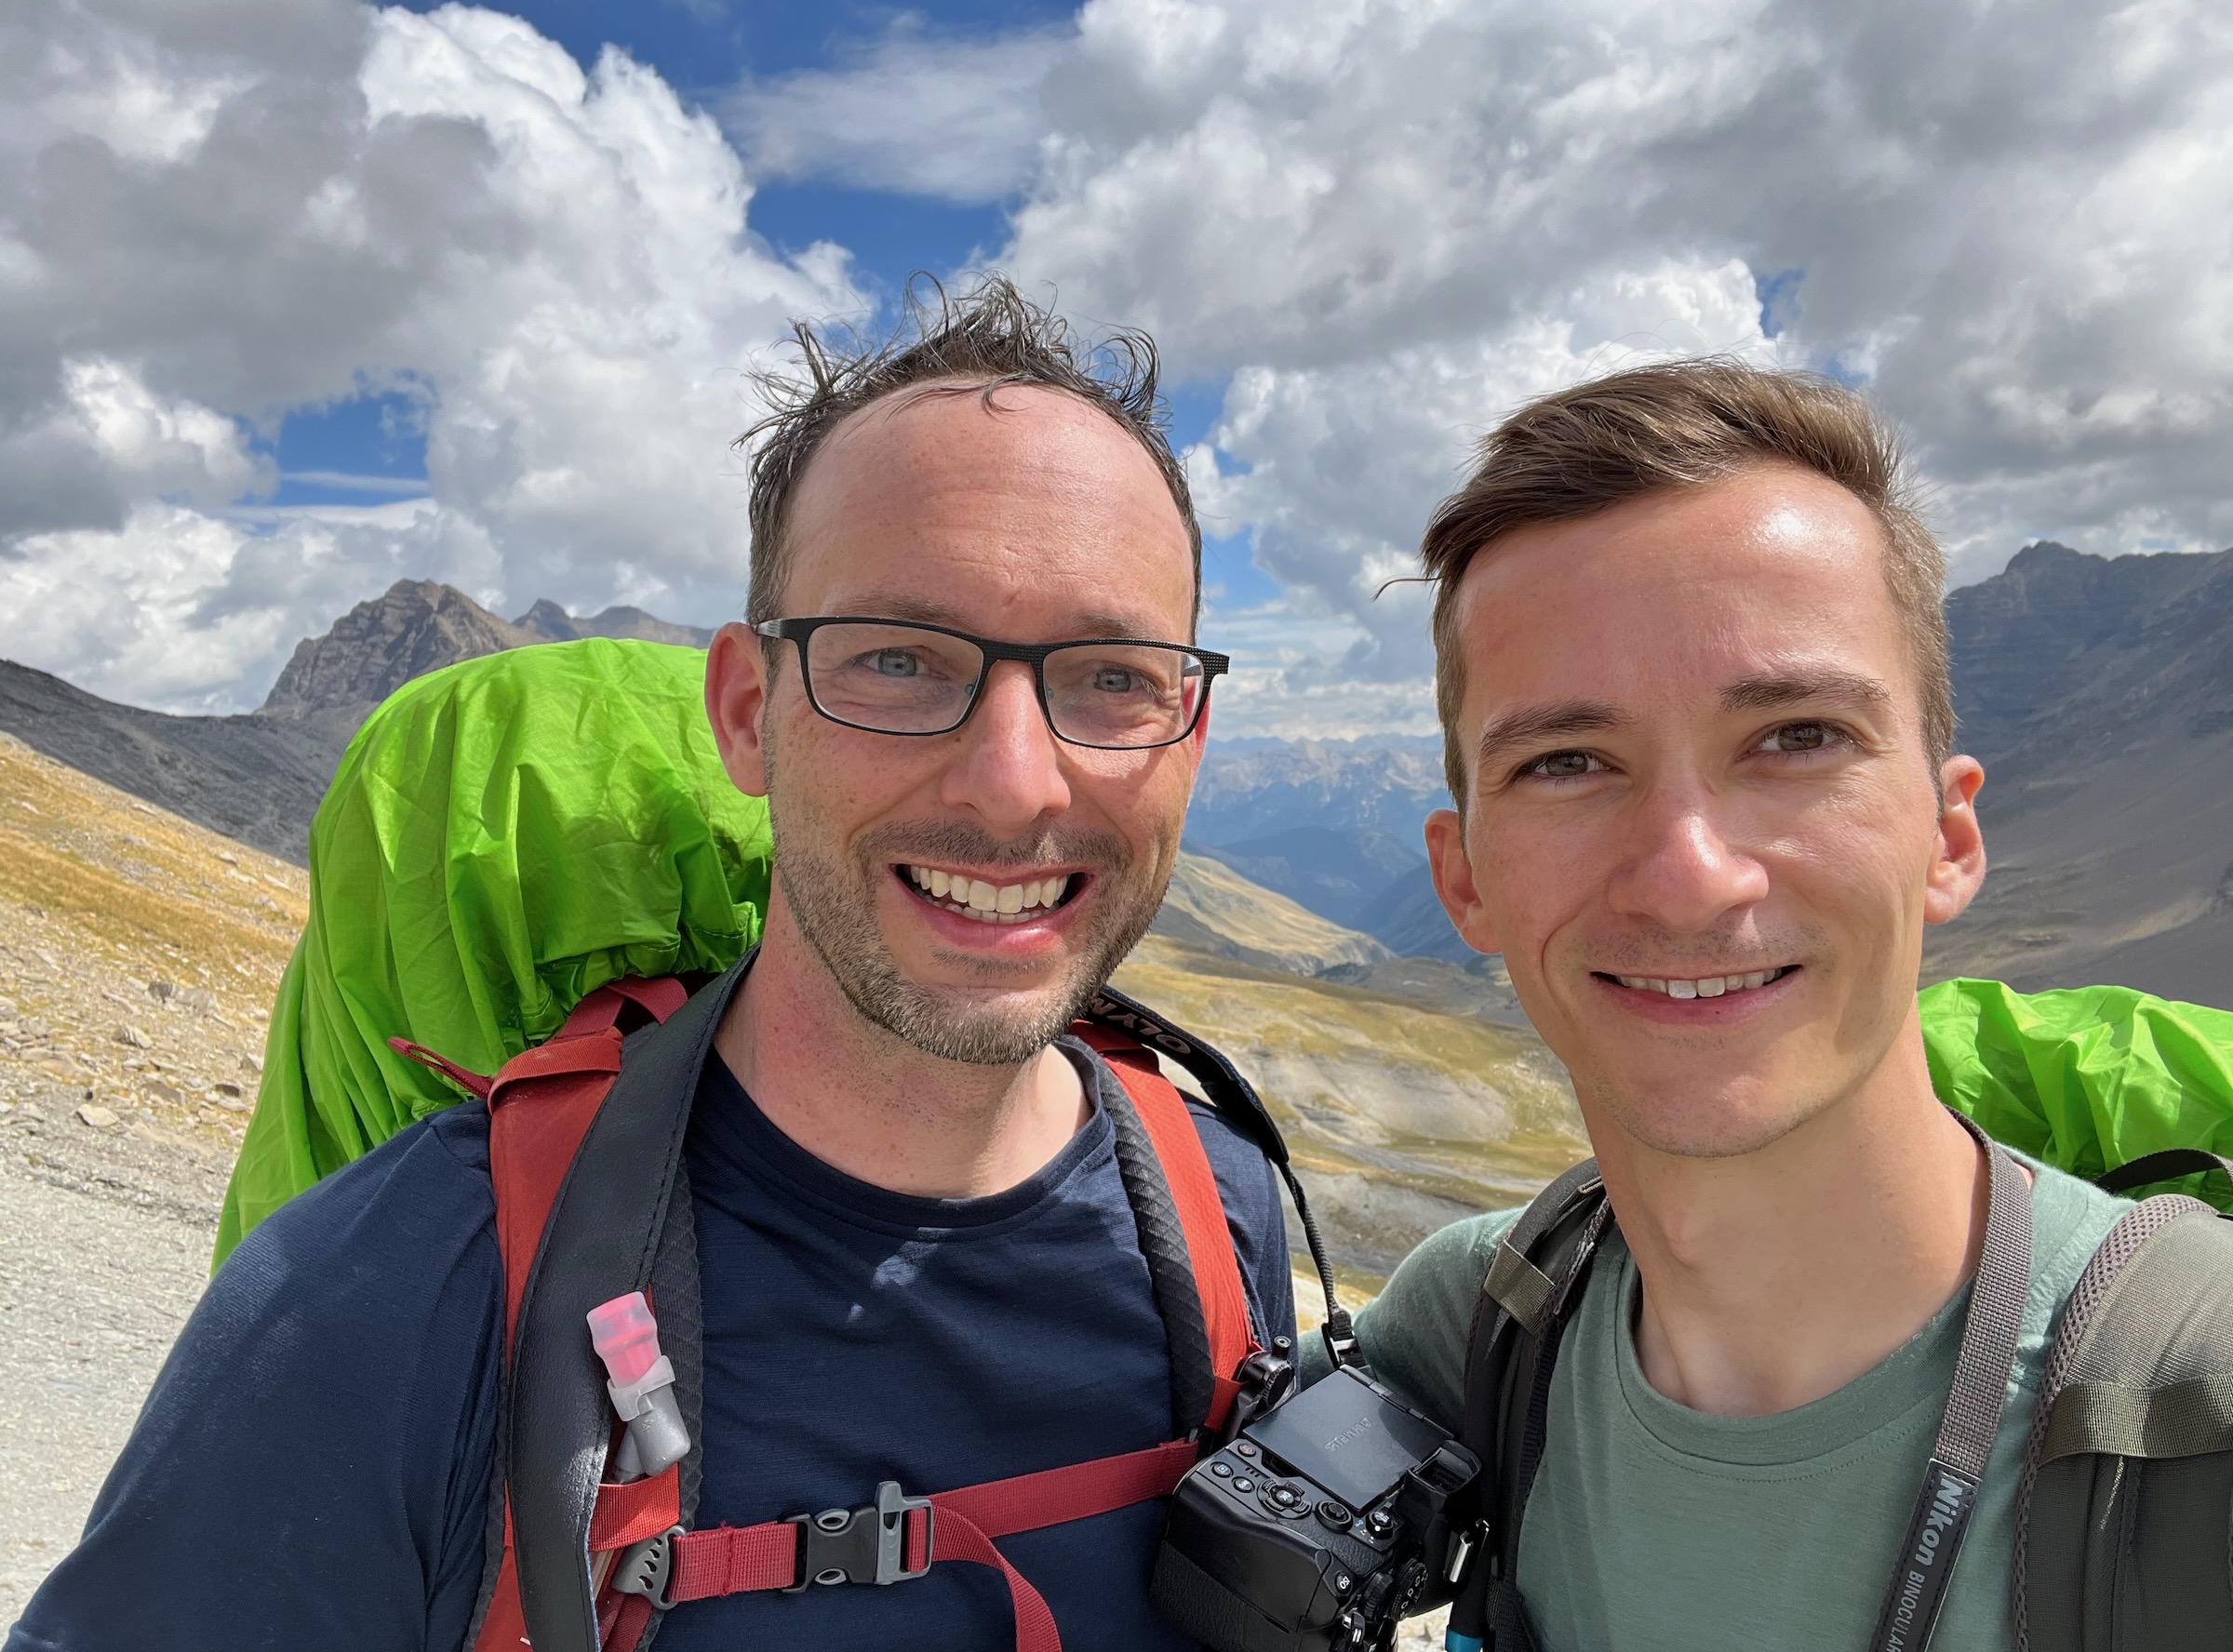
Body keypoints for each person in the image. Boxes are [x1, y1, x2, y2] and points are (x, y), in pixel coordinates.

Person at [6, 278, 1294, 1652]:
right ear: (746, 713)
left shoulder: (1224, 1223)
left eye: (1114, 676)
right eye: (900, 660)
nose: (1015, 780)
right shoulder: (377, 1306)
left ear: (1192, 733)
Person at [1315, 359, 2213, 1650]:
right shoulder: (1471, 1329)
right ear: (1466, 881)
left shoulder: (2198, 1402)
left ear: (1950, 834)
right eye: (1566, 763)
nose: (1690, 876)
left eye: (1798, 737)